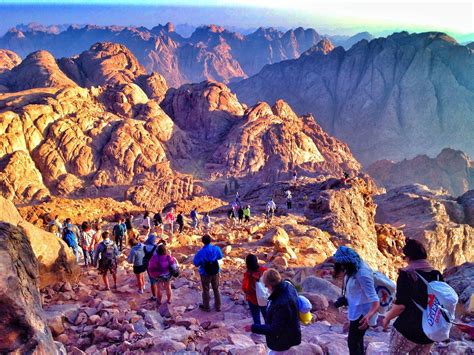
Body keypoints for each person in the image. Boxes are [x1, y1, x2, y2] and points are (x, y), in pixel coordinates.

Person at [382, 239, 444, 355]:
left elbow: (400, 306)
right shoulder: (436, 274)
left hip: (408, 329)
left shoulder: (407, 274)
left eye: (405, 257)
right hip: (430, 331)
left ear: (409, 257)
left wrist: (386, 318)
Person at [333, 246, 380, 355]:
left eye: (343, 263)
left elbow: (375, 300)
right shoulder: (353, 268)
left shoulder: (362, 274)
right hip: (356, 310)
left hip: (363, 314)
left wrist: (368, 316)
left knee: (353, 343)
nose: (342, 266)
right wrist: (346, 300)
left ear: (348, 262)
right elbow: (357, 290)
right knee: (357, 342)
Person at [245, 269, 301, 353]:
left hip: (283, 341)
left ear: (270, 285)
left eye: (266, 286)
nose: (266, 289)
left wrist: (253, 327)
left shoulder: (281, 304)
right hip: (291, 332)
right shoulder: (287, 285)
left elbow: (274, 329)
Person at [193, 235, 223, 312]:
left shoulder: (200, 252)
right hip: (215, 271)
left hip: (205, 273)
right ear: (210, 240)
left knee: (206, 290)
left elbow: (196, 263)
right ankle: (218, 306)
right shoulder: (216, 248)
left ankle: (206, 307)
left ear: (203, 242)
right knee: (216, 289)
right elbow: (220, 257)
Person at [242, 254, 267, 325]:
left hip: (253, 300)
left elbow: (244, 288)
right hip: (264, 298)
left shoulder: (247, 275)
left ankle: (258, 332)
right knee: (267, 318)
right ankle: (269, 333)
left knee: (256, 318)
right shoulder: (264, 270)